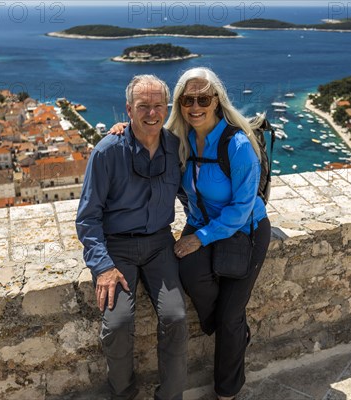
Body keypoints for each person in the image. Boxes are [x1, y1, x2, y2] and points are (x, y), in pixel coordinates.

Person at [76, 74, 187, 400]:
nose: (151, 113)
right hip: (118, 247)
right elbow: (87, 218)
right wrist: (102, 266)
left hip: (160, 245)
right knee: (118, 325)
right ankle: (123, 392)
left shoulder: (175, 147)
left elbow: (193, 194)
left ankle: (169, 396)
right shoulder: (107, 152)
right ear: (128, 109)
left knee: (176, 319)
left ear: (166, 108)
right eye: (143, 107)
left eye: (157, 106)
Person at [168, 67, 271, 400]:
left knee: (229, 315)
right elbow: (145, 136)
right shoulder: (180, 138)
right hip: (203, 223)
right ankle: (236, 334)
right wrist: (121, 130)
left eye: (203, 99)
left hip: (246, 231)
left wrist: (200, 237)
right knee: (188, 272)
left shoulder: (237, 144)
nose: (195, 106)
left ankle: (227, 391)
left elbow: (242, 209)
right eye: (187, 100)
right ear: (179, 103)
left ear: (216, 101)